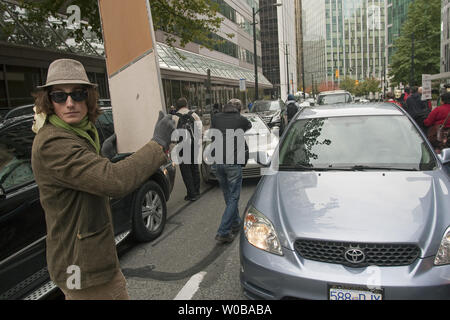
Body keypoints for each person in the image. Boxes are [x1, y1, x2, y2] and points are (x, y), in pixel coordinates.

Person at [31, 58, 175, 300]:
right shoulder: (52, 142)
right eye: (59, 96)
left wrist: (103, 158)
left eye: (77, 94)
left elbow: (90, 176)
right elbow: (114, 181)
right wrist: (158, 145)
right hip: (83, 268)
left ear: (88, 98)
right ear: (49, 101)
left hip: (91, 259)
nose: (70, 103)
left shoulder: (78, 132)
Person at [210, 98, 252, 243]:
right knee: (234, 197)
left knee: (228, 195)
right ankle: (223, 231)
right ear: (239, 109)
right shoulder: (240, 119)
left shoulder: (216, 118)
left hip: (217, 162)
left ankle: (235, 223)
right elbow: (249, 125)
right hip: (232, 162)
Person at [173, 97, 202, 201]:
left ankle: (191, 194)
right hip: (194, 145)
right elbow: (200, 130)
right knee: (195, 168)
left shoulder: (174, 117)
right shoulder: (194, 115)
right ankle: (197, 191)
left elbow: (172, 134)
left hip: (181, 146)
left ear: (177, 106)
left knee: (186, 170)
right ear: (186, 104)